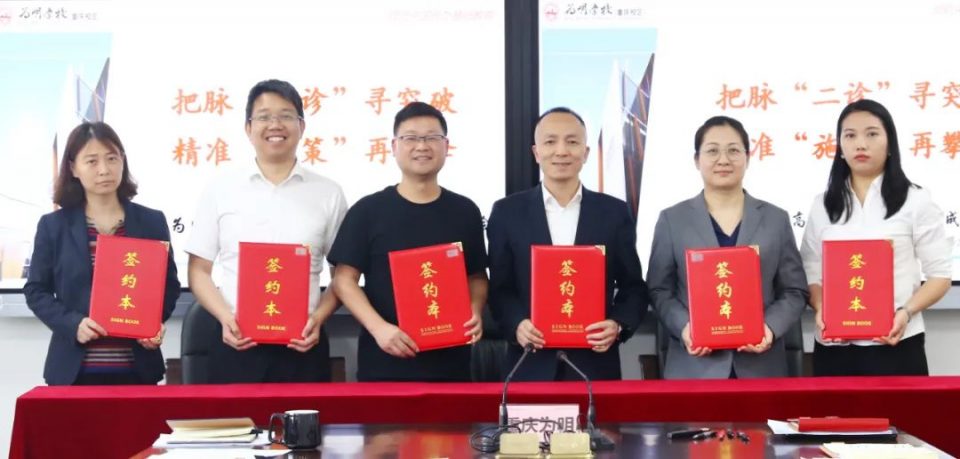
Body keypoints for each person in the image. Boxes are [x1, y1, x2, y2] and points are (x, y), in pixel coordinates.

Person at [185, 79, 347, 383]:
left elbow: (343, 275)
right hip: (235, 345)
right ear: (248, 128)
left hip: (304, 346)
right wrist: (224, 317)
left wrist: (319, 318)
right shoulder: (220, 190)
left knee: (305, 417)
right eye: (264, 117)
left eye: (286, 116)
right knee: (236, 417)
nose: (275, 125)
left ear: (301, 126)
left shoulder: (329, 193)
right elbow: (198, 270)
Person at [486, 107, 648, 381]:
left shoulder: (614, 213)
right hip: (530, 364)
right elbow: (500, 289)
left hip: (593, 366)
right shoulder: (506, 213)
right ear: (536, 152)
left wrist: (618, 324)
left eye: (572, 142)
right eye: (550, 142)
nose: (561, 151)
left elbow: (633, 287)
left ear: (585, 153)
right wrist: (517, 325)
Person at [329, 101, 486, 382]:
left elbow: (477, 277)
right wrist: (379, 329)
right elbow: (343, 280)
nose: (422, 146)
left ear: (446, 145)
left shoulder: (465, 211)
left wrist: (475, 309)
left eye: (432, 138)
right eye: (411, 138)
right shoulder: (368, 211)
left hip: (451, 365)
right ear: (394, 146)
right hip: (385, 362)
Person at [647, 115, 808, 379]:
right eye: (712, 151)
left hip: (761, 368)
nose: (723, 160)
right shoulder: (672, 220)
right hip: (694, 369)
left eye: (733, 150)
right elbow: (659, 289)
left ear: (747, 158)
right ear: (697, 160)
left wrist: (769, 327)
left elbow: (794, 290)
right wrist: (685, 327)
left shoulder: (775, 219)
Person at [800, 99, 952, 376]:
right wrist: (821, 308)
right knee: (833, 407)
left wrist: (906, 312)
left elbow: (940, 275)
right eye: (850, 135)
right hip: (834, 345)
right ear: (840, 147)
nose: (860, 144)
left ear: (890, 143)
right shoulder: (822, 205)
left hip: (897, 341)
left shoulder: (915, 200)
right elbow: (810, 270)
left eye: (871, 134)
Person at [24, 121, 180, 385]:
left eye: (112, 158)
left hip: (138, 370)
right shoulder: (54, 226)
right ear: (73, 168)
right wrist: (73, 324)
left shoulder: (151, 222)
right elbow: (36, 291)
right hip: (74, 373)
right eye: (92, 161)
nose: (104, 170)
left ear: (123, 161)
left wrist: (153, 323)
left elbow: (169, 285)